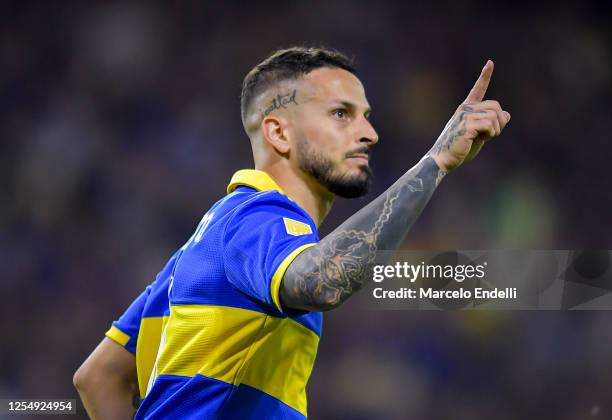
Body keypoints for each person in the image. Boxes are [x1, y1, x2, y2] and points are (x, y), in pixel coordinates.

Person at [74, 46, 510, 419]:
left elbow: (99, 377)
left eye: (366, 117)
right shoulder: (260, 217)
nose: (370, 134)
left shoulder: (206, 245)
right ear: (279, 132)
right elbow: (323, 281)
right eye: (341, 114)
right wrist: (434, 164)